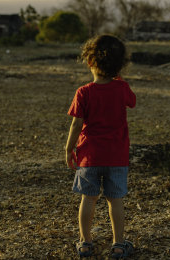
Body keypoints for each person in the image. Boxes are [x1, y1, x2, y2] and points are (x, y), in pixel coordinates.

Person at [65, 35, 136, 259]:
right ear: (118, 66)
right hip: (116, 157)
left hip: (90, 157)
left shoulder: (83, 92)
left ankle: (85, 243)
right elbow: (132, 101)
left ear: (89, 62)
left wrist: (69, 149)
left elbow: (76, 124)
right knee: (115, 201)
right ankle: (118, 244)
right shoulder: (122, 88)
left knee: (88, 199)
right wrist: (120, 80)